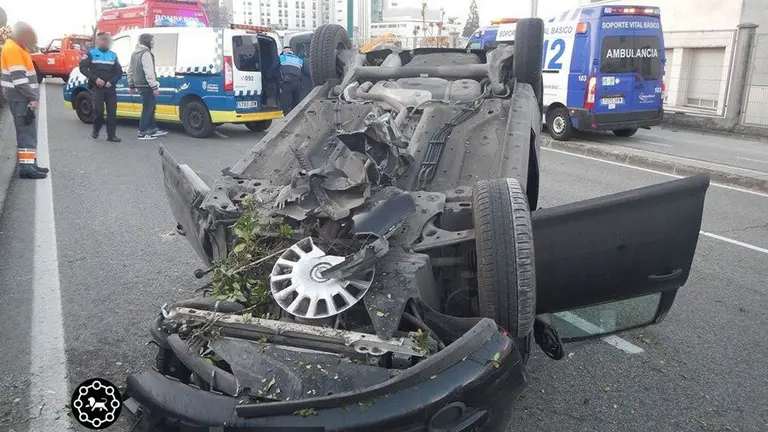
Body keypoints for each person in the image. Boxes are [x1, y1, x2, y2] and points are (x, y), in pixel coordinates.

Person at [0, 21, 48, 179]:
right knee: (26, 133)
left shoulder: (17, 47)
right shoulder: (13, 49)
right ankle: (27, 169)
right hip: (21, 98)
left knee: (28, 132)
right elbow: (19, 79)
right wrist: (32, 97)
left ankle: (30, 164)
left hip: (21, 98)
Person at [79, 32, 122, 142]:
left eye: (106, 40)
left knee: (112, 112)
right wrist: (95, 79)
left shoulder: (113, 55)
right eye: (102, 40)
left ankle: (111, 135)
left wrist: (111, 82)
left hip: (110, 88)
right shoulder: (91, 53)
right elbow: (82, 68)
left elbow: (119, 72)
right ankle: (96, 129)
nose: (104, 42)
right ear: (98, 42)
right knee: (98, 111)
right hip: (97, 88)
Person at [127, 33, 167, 140]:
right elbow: (149, 71)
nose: (153, 42)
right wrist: (154, 86)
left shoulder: (135, 53)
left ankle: (152, 129)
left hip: (139, 84)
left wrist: (131, 84)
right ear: (147, 41)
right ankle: (142, 131)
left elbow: (130, 70)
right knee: (148, 108)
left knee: (151, 106)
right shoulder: (145, 53)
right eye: (152, 40)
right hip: (146, 85)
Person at [278, 46, 306, 114]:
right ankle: (297, 120)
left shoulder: (282, 57)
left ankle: (287, 120)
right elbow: (304, 71)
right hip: (297, 83)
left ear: (283, 52)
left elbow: (273, 68)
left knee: (286, 104)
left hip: (287, 82)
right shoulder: (299, 59)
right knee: (296, 104)